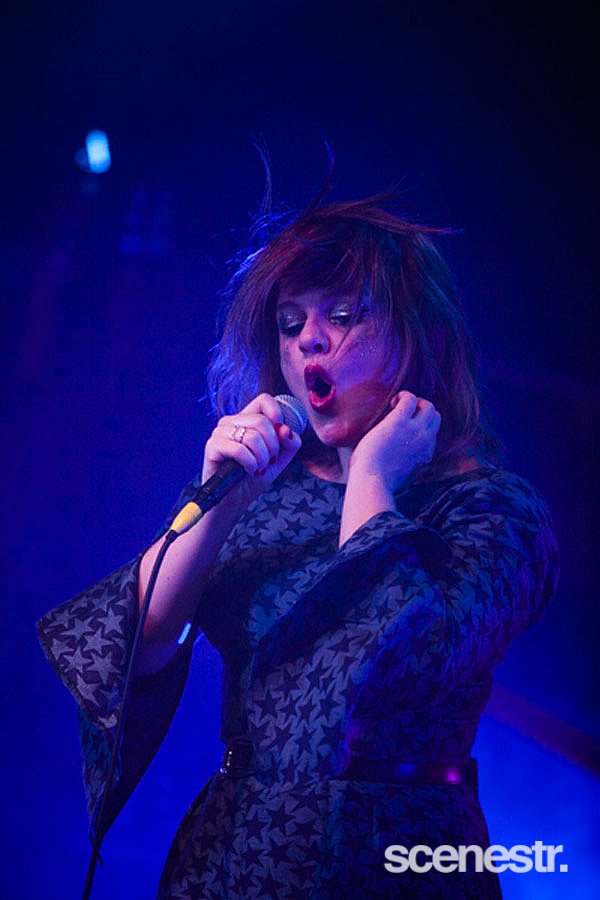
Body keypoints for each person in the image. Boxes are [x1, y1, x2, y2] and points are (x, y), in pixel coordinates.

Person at [37, 193, 559, 898]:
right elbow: (139, 648)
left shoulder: (492, 509)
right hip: (238, 850)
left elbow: (396, 657)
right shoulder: (263, 491)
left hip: (396, 850)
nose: (309, 340)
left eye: (342, 317)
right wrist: (222, 498)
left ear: (416, 333)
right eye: (290, 324)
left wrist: (370, 478)